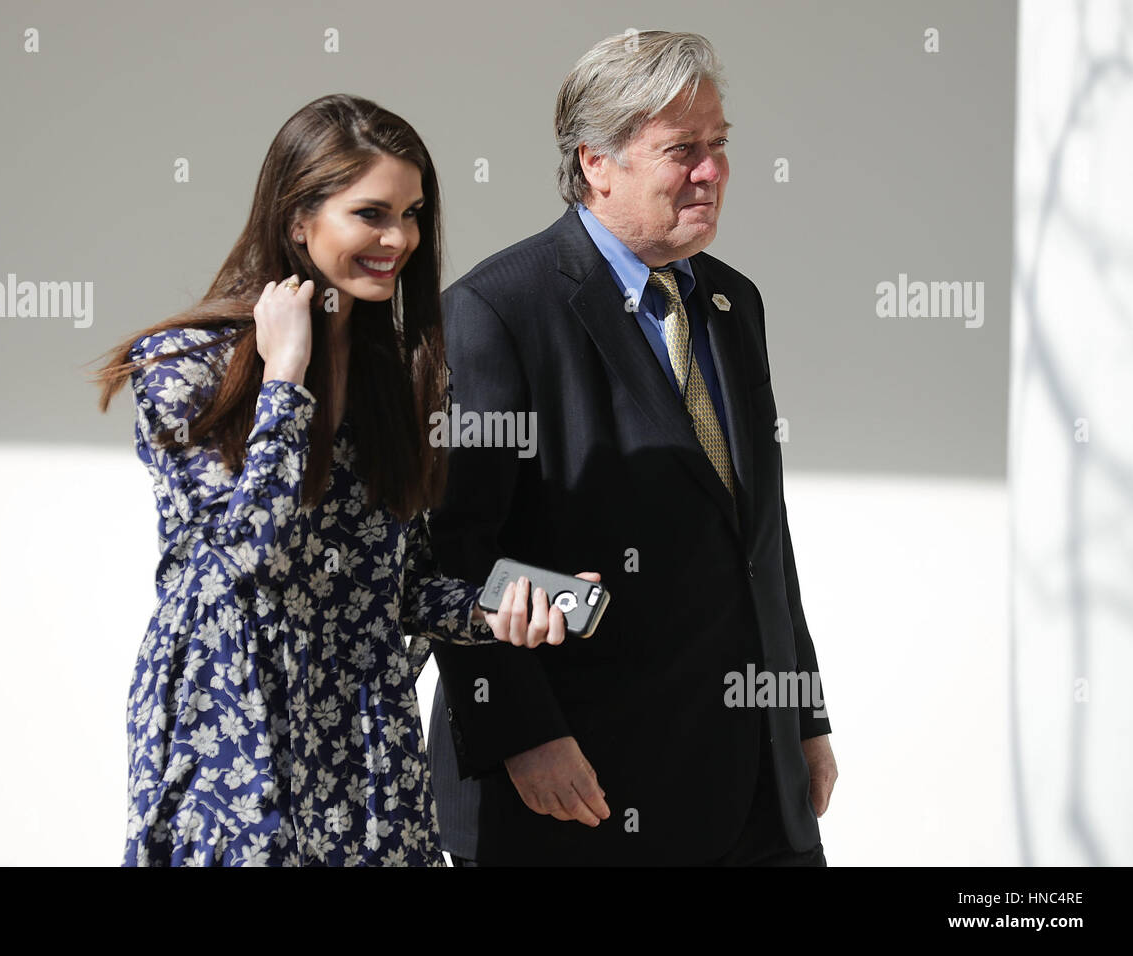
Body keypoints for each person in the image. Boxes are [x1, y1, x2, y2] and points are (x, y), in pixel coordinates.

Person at [92, 93, 595, 866]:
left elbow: (396, 586)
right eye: (372, 213)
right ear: (299, 219)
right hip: (231, 727)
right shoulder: (183, 366)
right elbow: (234, 567)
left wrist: (502, 608)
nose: (399, 239)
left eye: (413, 213)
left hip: (364, 732)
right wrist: (285, 380)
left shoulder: (395, 377)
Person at [427, 31, 839, 866]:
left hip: (752, 785)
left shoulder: (731, 301)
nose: (713, 171)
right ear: (596, 163)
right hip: (578, 792)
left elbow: (760, 537)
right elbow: (453, 555)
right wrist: (524, 736)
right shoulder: (497, 310)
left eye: (719, 146)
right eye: (682, 149)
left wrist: (800, 714)